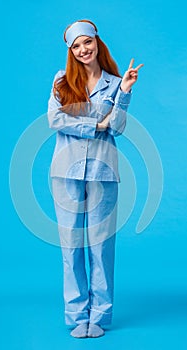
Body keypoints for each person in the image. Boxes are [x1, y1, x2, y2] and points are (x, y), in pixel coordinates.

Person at [47, 19, 143, 338]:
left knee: (101, 246)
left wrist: (125, 92)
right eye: (76, 46)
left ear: (97, 43)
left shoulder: (115, 84)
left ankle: (99, 315)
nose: (83, 49)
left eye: (86, 42)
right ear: (70, 52)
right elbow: (54, 119)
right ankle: (77, 314)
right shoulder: (61, 81)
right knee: (71, 245)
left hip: (102, 172)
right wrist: (95, 125)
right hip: (65, 172)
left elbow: (117, 126)